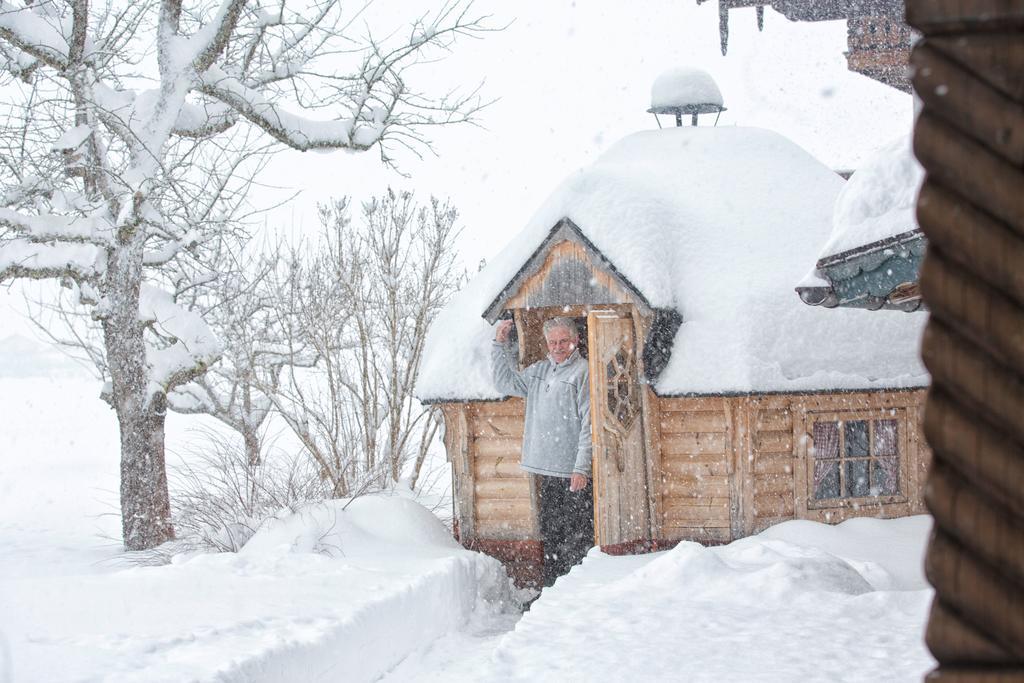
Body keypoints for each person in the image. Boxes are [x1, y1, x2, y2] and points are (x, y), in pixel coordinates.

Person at [491, 316, 593, 587]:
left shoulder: (583, 372)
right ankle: (551, 592)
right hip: (545, 472)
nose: (558, 347)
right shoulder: (538, 372)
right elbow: (505, 383)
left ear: (576, 340)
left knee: (577, 538)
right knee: (552, 536)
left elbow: (589, 424)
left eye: (563, 341)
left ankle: (574, 593)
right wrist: (499, 345)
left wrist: (581, 467)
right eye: (553, 342)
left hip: (573, 475)